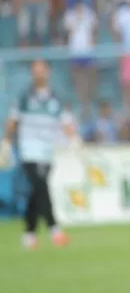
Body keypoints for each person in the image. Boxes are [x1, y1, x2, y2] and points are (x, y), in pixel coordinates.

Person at [0, 60, 80, 249]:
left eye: (41, 71)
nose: (39, 74)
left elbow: (66, 122)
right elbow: (13, 121)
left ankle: (29, 234)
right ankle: (55, 230)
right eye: (35, 71)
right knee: (41, 186)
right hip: (29, 150)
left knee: (37, 193)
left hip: (47, 152)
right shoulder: (25, 98)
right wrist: (6, 143)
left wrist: (75, 140)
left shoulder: (55, 99)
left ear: (48, 73)